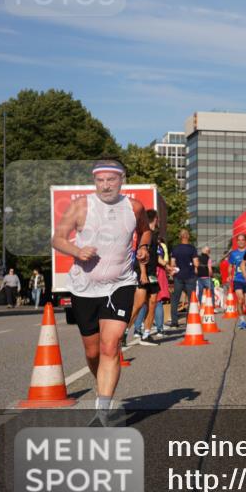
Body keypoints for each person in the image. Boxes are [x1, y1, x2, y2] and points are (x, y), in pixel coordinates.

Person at [52, 158, 150, 426]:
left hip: (120, 284)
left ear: (122, 179)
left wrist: (143, 247)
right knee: (93, 352)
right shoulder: (81, 206)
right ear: (95, 181)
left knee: (111, 345)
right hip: (84, 287)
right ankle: (102, 385)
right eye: (100, 180)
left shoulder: (134, 207)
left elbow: (145, 231)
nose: (106, 185)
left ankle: (102, 411)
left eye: (111, 179)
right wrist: (76, 251)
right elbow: (57, 237)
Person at [128, 210, 162, 347]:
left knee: (153, 302)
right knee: (139, 304)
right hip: (143, 271)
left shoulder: (154, 235)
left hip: (152, 273)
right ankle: (123, 333)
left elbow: (155, 256)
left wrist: (166, 266)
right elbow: (141, 255)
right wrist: (142, 273)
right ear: (156, 219)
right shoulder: (145, 234)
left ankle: (147, 335)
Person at [169, 229, 199, 328]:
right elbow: (196, 263)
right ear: (188, 236)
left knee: (175, 299)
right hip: (190, 276)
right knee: (191, 299)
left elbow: (172, 264)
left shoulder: (175, 249)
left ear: (180, 237)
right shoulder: (192, 248)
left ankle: (174, 322)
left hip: (178, 277)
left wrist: (173, 272)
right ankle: (189, 320)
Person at [226, 233, 246, 329]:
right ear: (237, 241)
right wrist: (229, 275)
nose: (240, 241)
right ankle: (242, 320)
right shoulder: (233, 254)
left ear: (245, 241)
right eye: (239, 240)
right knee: (240, 300)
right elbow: (230, 266)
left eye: (242, 240)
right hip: (238, 280)